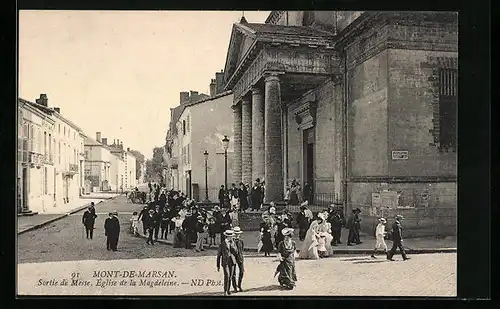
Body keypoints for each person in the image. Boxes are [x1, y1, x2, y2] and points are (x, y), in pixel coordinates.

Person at [216, 230, 239, 296]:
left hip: (232, 261)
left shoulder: (233, 243)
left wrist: (232, 246)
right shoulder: (222, 244)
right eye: (230, 236)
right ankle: (225, 291)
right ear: (227, 236)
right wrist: (218, 265)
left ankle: (228, 290)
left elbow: (236, 252)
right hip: (225, 262)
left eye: (231, 236)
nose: (231, 237)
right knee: (227, 275)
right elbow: (218, 255)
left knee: (230, 276)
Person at [231, 226, 245, 292]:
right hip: (232, 258)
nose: (237, 235)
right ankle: (234, 287)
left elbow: (242, 249)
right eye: (236, 233)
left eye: (238, 233)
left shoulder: (241, 241)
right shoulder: (231, 241)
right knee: (233, 273)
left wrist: (240, 256)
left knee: (242, 271)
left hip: (240, 257)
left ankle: (239, 285)